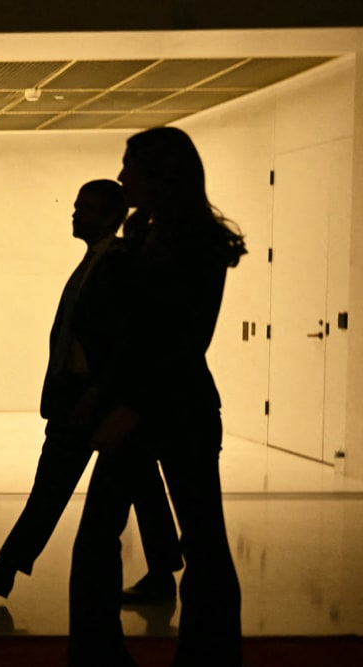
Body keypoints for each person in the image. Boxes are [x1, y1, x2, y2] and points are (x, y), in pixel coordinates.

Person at [0, 180, 182, 600]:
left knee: (65, 485)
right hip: (84, 394)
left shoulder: (114, 263)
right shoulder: (99, 261)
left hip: (93, 397)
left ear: (112, 216)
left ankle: (9, 567)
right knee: (132, 482)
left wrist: (94, 391)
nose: (75, 213)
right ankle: (160, 572)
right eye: (76, 206)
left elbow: (117, 339)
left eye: (86, 208)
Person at [68, 127, 246, 667]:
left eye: (131, 167)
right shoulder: (155, 232)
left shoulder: (187, 242)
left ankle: (165, 656)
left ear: (159, 175)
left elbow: (180, 339)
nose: (122, 177)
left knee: (187, 542)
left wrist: (127, 405)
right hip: (163, 405)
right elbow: (146, 335)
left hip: (165, 407)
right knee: (191, 540)